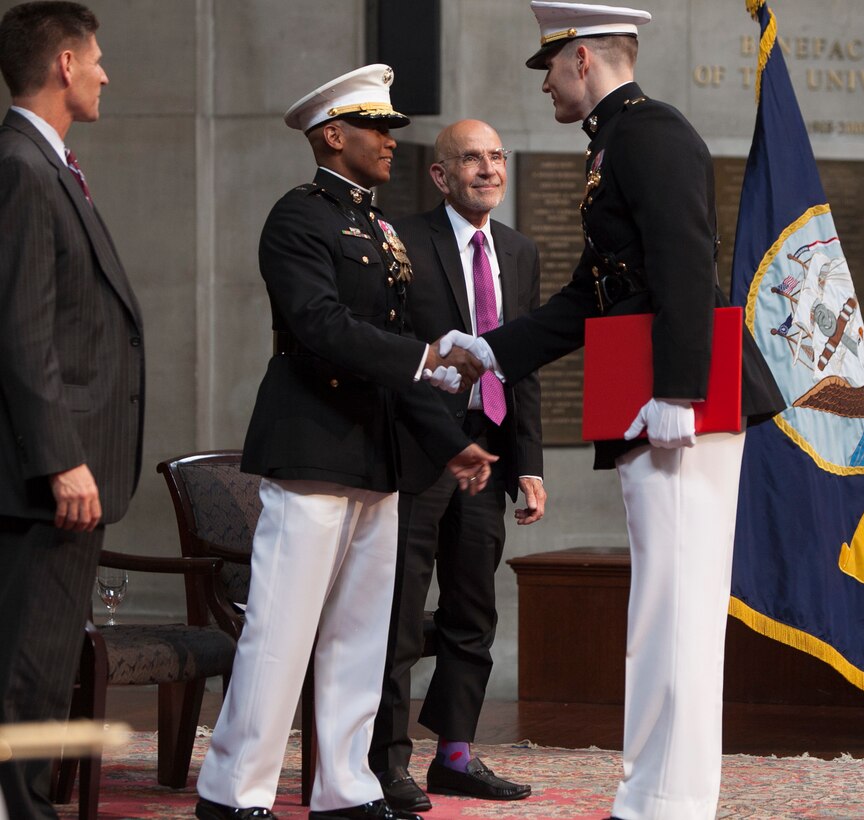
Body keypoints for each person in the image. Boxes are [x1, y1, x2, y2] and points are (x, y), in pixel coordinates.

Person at [433, 4, 786, 820]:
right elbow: (592, 291)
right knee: (663, 602)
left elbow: (682, 260)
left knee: (677, 605)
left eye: (550, 68)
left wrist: (678, 391)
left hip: (675, 405)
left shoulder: (649, 132)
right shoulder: (616, 139)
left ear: (582, 59)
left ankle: (669, 800)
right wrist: (491, 350)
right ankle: (659, 792)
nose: (547, 83)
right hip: (654, 399)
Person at [193, 65, 497, 820]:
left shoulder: (378, 227)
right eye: (377, 130)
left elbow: (395, 351)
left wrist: (447, 438)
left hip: (377, 451)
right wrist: (423, 359)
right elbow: (318, 325)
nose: (390, 143)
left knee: (360, 636)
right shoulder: (299, 218)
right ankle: (234, 791)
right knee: (282, 628)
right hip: (313, 442)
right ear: (334, 136)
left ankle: (345, 787)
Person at [369, 120, 545, 811]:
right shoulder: (401, 241)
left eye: (496, 156)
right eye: (470, 158)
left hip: (491, 451)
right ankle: (384, 763)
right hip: (418, 450)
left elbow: (521, 364)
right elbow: (393, 354)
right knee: (399, 615)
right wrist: (445, 440)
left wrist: (527, 463)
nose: (487, 169)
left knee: (473, 606)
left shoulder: (519, 251)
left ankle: (456, 753)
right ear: (440, 175)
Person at [0, 3, 145, 818]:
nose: (104, 72)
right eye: (95, 59)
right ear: (62, 62)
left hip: (63, 468)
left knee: (41, 661)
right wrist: (61, 457)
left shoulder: (47, 163)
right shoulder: (22, 165)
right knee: (28, 661)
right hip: (45, 475)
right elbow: (21, 332)